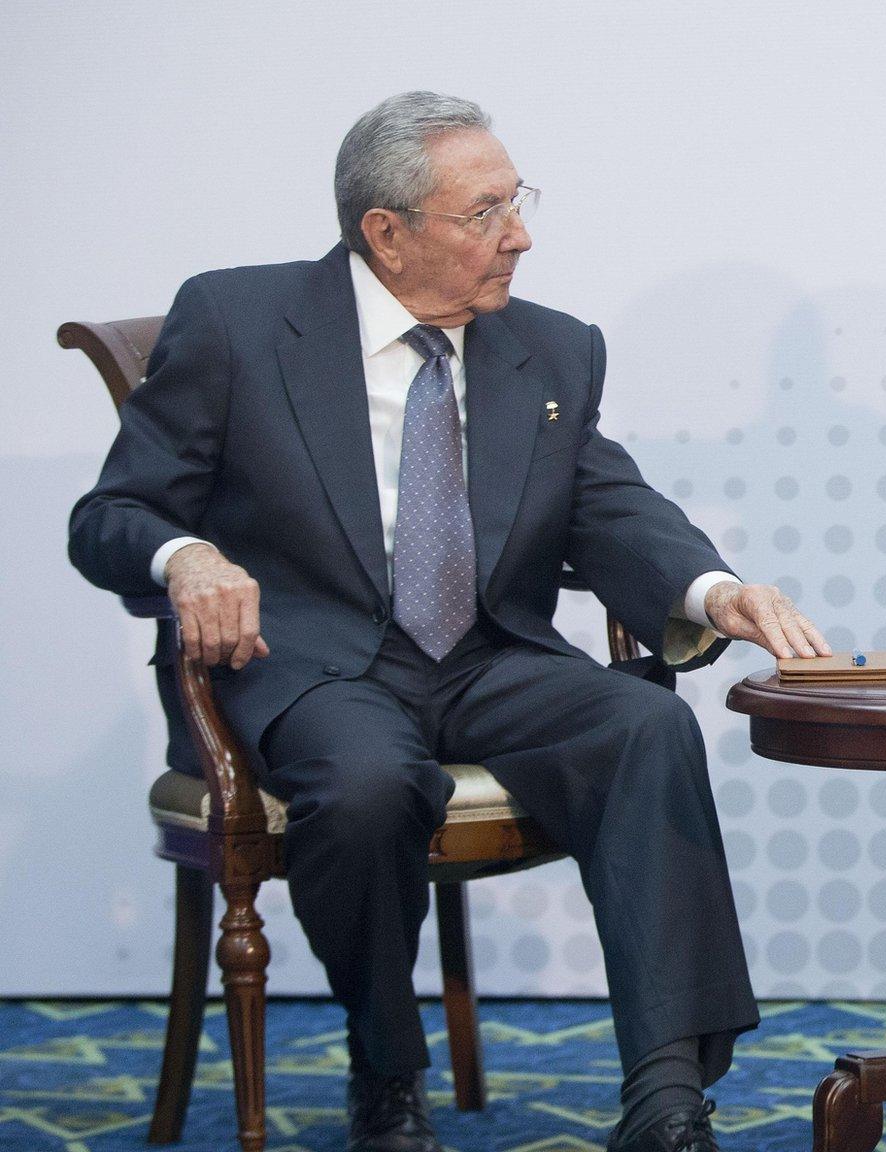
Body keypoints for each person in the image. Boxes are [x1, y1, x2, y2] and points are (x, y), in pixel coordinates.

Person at [69, 91, 827, 1152]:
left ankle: (664, 1098)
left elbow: (606, 506)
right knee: (374, 783)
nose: (519, 234)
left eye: (516, 203)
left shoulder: (550, 349)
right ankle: (386, 1066)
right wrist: (185, 556)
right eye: (484, 212)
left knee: (645, 727)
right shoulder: (242, 323)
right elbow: (112, 515)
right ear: (386, 232)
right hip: (315, 667)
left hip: (485, 656)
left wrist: (712, 592)